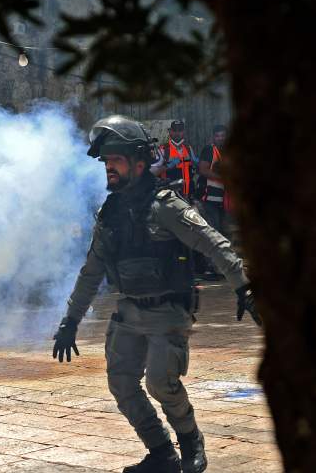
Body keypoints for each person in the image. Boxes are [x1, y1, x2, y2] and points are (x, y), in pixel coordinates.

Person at [52, 115, 261, 473]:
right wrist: (70, 320)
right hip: (129, 312)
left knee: (161, 383)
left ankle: (192, 441)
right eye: (106, 162)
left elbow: (214, 243)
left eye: (115, 160)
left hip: (168, 312)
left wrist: (244, 287)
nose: (109, 169)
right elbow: (91, 272)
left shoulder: (166, 206)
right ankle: (162, 453)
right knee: (121, 384)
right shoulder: (110, 214)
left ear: (138, 161)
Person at [197, 124, 229, 237]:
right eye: (217, 136)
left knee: (224, 232)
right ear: (213, 138)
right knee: (214, 233)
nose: (220, 138)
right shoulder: (209, 149)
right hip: (209, 200)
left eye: (223, 136)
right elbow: (203, 170)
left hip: (224, 201)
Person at [153, 119, 198, 198]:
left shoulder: (188, 148)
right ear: (170, 132)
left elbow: (196, 169)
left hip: (188, 196)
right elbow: (152, 172)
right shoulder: (163, 149)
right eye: (174, 130)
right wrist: (167, 166)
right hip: (170, 198)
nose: (177, 133)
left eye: (180, 130)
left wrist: (197, 164)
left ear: (183, 132)